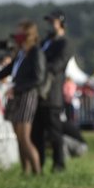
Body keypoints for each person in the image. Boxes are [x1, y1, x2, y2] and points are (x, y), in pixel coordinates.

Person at [0, 21, 46, 175]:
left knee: (25, 137)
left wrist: (17, 88)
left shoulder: (35, 53)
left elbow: (38, 78)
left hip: (26, 95)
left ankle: (37, 172)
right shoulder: (21, 53)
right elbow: (3, 72)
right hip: (17, 95)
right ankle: (25, 171)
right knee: (18, 137)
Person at [33, 9, 73, 172]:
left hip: (52, 94)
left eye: (53, 21)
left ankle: (59, 163)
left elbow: (58, 64)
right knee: (37, 133)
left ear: (61, 23)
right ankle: (39, 163)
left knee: (54, 132)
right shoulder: (45, 42)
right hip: (39, 94)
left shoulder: (64, 43)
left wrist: (39, 69)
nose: (50, 25)